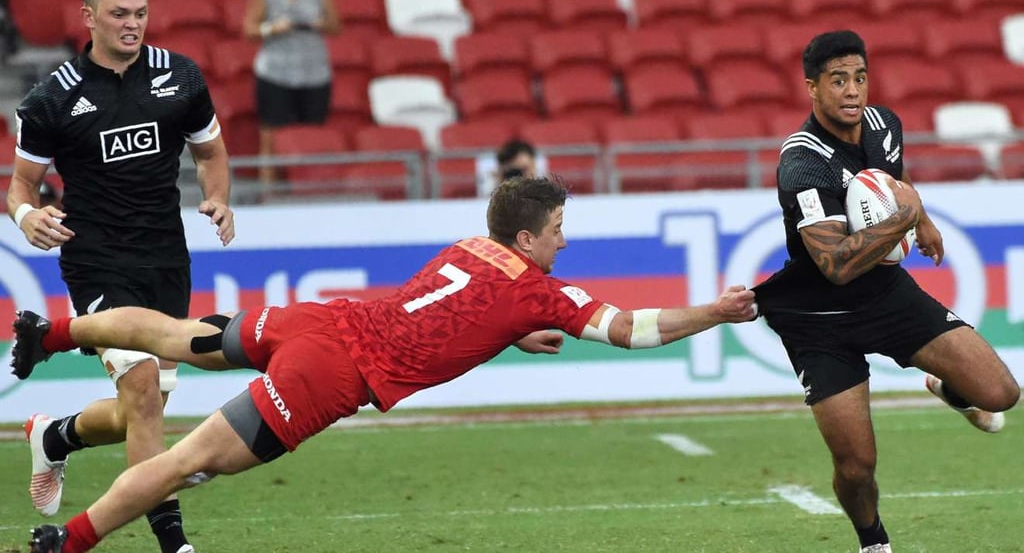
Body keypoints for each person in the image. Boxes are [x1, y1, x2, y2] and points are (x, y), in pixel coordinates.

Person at [11, 176, 758, 552]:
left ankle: (49, 335)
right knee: (187, 461)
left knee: (177, 334)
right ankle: (66, 541)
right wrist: (715, 312)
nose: (565, 241)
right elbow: (631, 327)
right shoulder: (540, 290)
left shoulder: (472, 245)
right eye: (558, 230)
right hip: (331, 374)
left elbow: (461, 312)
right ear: (527, 239)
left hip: (326, 318)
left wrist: (511, 331)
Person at [752, 30, 1019, 553]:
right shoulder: (802, 162)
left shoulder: (883, 124)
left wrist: (921, 217)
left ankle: (948, 388)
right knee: (856, 467)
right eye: (837, 81)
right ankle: (873, 543)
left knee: (1002, 393)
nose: (853, 91)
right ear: (812, 87)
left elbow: (887, 185)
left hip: (885, 294)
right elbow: (834, 264)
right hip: (818, 316)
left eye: (860, 78)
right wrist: (905, 218)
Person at [5, 0, 235, 552]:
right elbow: (20, 187)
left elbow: (211, 154)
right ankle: (173, 542)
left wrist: (218, 200)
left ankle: (56, 436)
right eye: (119, 14)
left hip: (166, 258)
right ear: (89, 17)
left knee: (145, 407)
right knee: (141, 399)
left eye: (140, 13)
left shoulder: (180, 77)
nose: (132, 24)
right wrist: (29, 217)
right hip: (97, 260)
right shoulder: (51, 99)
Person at [243, 0, 339, 189]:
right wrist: (272, 28)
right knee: (270, 138)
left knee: (313, 137)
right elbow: (249, 29)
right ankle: (268, 195)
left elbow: (336, 26)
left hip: (314, 72)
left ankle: (312, 191)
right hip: (275, 72)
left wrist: (321, 24)